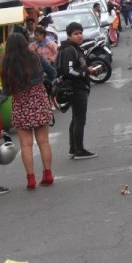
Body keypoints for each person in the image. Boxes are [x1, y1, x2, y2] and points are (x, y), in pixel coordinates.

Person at [2, 32, 55, 189]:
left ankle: (31, 179)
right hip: (39, 102)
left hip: (20, 105)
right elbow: (52, 72)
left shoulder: (6, 64)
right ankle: (48, 174)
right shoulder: (34, 57)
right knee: (43, 141)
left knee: (26, 145)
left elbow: (6, 91)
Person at [57, 22, 96, 160]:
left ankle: (73, 148)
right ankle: (79, 150)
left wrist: (87, 70)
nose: (79, 36)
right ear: (69, 36)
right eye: (76, 34)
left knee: (76, 119)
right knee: (79, 119)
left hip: (79, 87)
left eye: (80, 33)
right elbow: (69, 71)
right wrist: (85, 73)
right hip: (76, 88)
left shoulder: (74, 48)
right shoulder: (69, 50)